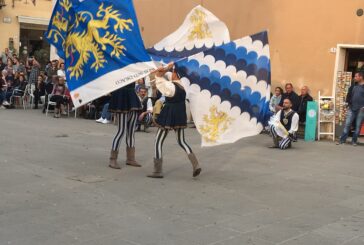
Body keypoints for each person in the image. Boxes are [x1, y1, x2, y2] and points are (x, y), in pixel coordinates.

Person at [147, 63, 201, 178]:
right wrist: (166, 69)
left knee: (158, 141)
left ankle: (157, 171)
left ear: (176, 75)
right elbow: (164, 75)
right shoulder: (184, 86)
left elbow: (160, 79)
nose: (171, 74)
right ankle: (195, 164)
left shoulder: (171, 86)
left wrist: (159, 72)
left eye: (173, 73)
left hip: (169, 113)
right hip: (180, 114)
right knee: (182, 141)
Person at [108, 83, 142, 169]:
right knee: (121, 131)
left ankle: (130, 158)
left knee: (131, 132)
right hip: (121, 97)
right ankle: (113, 158)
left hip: (132, 97)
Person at [337, 71, 364, 146]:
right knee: (347, 124)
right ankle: (342, 140)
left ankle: (354, 141)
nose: (354, 78)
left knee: (358, 126)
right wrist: (348, 103)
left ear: (361, 77)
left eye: (356, 76)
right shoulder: (353, 86)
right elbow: (348, 95)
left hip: (361, 110)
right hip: (352, 108)